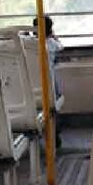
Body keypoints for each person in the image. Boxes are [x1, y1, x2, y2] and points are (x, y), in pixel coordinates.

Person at [32, 15, 64, 149]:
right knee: (54, 91)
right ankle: (54, 133)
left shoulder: (29, 46)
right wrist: (53, 36)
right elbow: (60, 47)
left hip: (31, 88)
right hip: (49, 88)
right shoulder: (51, 44)